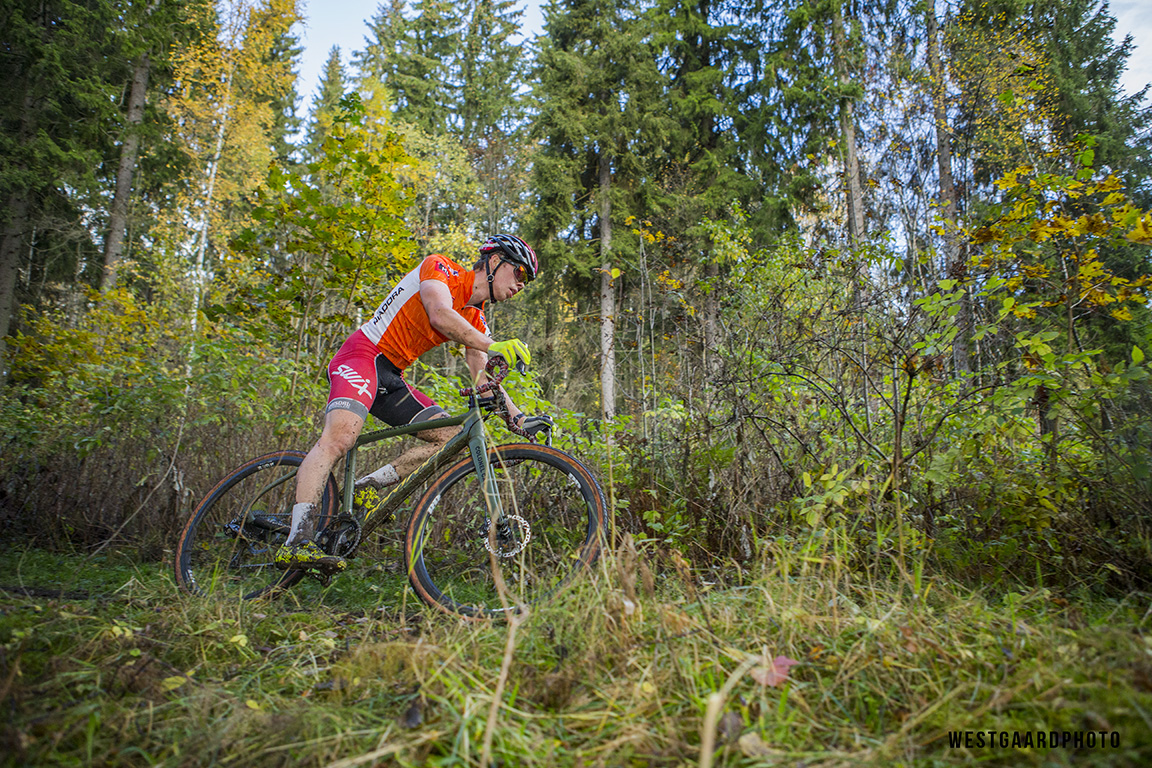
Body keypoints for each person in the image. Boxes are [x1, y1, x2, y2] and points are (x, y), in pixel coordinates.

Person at [275, 234, 553, 571]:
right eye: (520, 273)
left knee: (450, 439)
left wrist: (520, 420)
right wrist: (492, 345)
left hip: (392, 377)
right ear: (495, 261)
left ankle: (367, 487)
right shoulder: (441, 268)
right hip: (363, 355)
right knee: (340, 439)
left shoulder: (475, 318)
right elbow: (439, 313)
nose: (521, 285)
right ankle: (297, 541)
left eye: (527, 281)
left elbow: (483, 381)